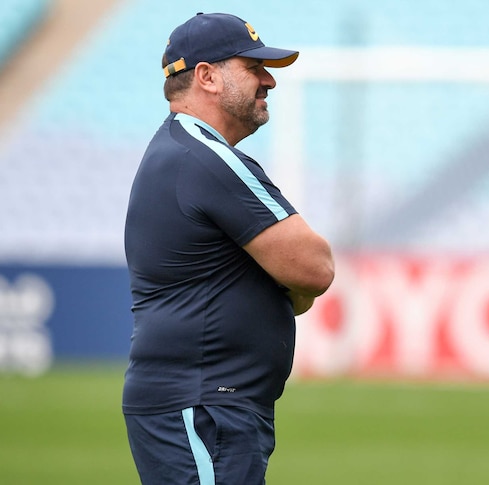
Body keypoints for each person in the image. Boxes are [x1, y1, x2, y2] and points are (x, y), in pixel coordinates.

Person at [122, 12, 335, 484]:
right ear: (207, 76)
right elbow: (315, 268)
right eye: (253, 67)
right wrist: (286, 283)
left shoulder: (183, 151)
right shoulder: (206, 157)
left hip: (204, 405)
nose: (269, 81)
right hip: (202, 407)